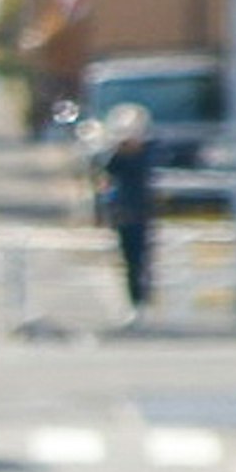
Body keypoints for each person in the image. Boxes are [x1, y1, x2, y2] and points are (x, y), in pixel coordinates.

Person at [95, 101, 159, 317]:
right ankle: (135, 302)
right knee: (129, 261)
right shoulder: (117, 159)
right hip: (124, 215)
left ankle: (144, 301)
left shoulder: (146, 156)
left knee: (144, 260)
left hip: (141, 213)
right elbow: (106, 172)